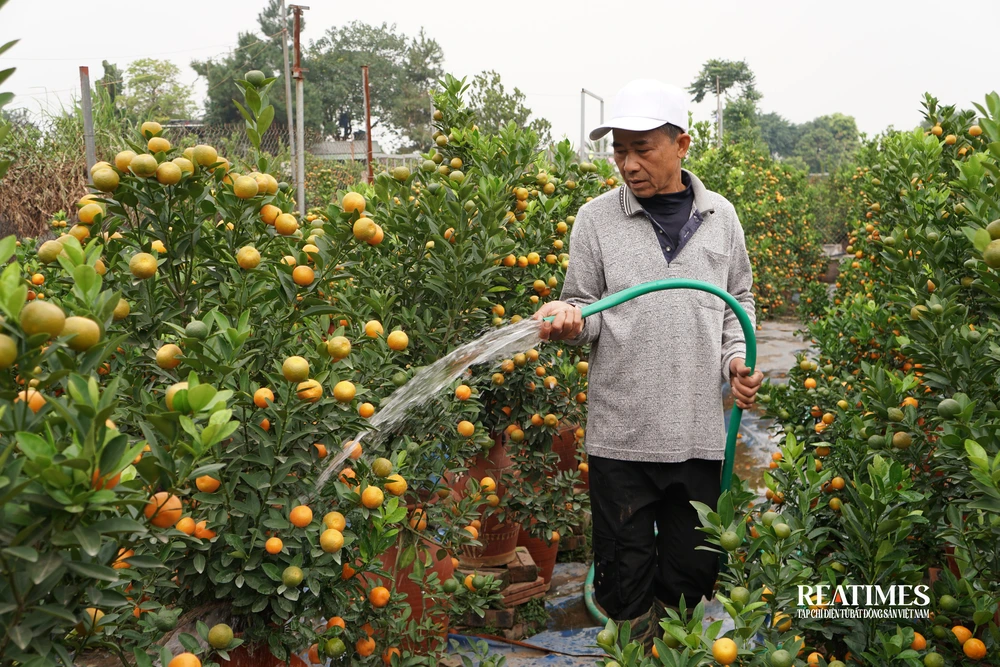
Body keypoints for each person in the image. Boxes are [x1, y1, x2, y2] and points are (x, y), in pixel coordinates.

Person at [533, 79, 763, 648]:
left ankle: (675, 652)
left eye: (643, 149)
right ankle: (636, 653)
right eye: (619, 151)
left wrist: (736, 358)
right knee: (623, 578)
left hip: (699, 430)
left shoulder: (722, 217)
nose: (628, 164)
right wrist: (567, 319)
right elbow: (585, 305)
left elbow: (740, 301)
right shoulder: (595, 219)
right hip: (622, 436)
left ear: (681, 144)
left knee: (691, 574)